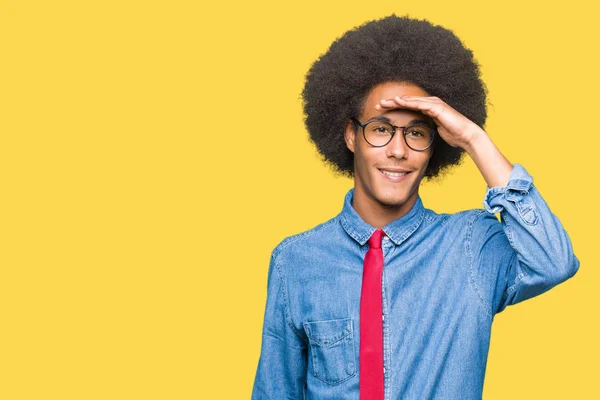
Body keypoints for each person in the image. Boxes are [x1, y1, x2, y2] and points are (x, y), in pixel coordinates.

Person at [251, 14, 579, 400]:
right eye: (381, 128)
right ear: (350, 136)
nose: (398, 149)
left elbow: (554, 261)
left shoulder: (471, 245)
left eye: (417, 133)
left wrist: (474, 138)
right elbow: (275, 392)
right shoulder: (297, 260)